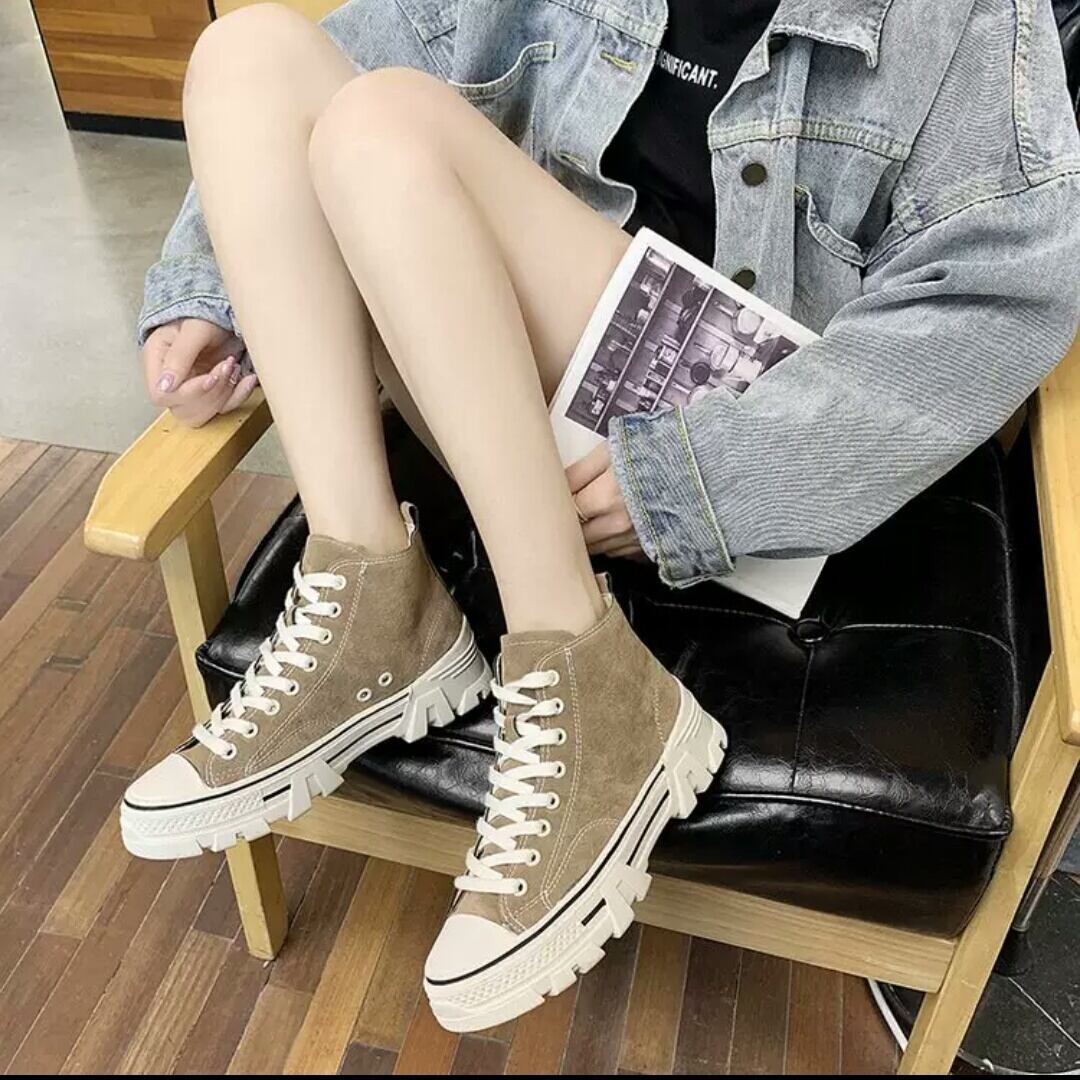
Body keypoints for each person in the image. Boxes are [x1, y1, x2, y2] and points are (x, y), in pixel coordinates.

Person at [123, 0, 1080, 1032]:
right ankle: (373, 581)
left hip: (760, 459)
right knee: (247, 56)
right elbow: (373, 40)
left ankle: (586, 668)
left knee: (382, 124)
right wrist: (208, 291)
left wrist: (705, 475)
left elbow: (997, 299)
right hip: (501, 412)